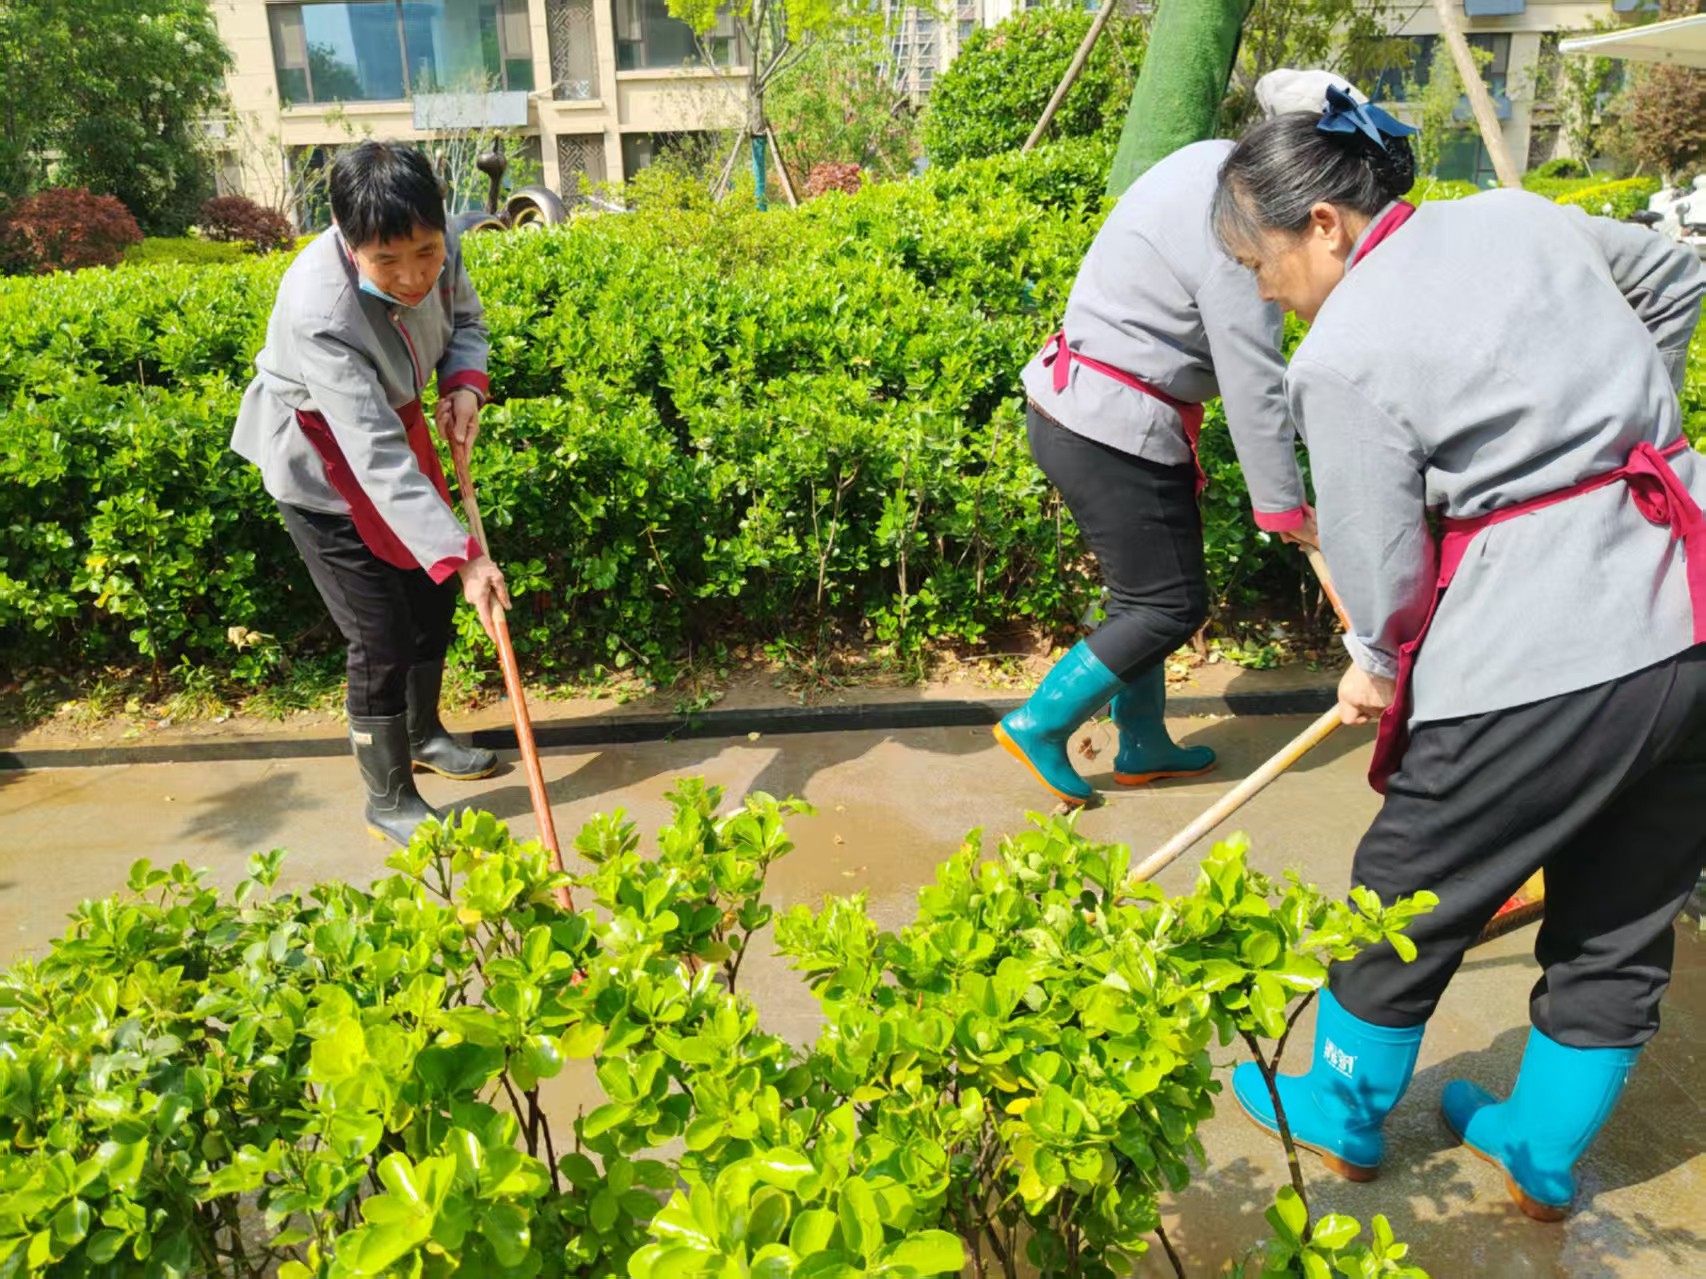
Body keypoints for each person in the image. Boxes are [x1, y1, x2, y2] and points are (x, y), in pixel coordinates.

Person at [1211, 83, 1706, 1222]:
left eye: (1256, 260)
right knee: (1624, 904)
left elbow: (1383, 571)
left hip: (1543, 646)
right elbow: (1675, 276)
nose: (1259, 286)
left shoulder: (1341, 356)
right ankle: (1539, 1150)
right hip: (1687, 612)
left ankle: (1337, 1116)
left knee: (1405, 887)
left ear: (1321, 226)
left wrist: (1372, 661)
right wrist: (1619, 416)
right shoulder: (1516, 216)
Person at [995, 99, 1319, 808]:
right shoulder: (1245, 222)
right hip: (1112, 426)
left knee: (1140, 596)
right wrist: (1287, 509)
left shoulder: (1207, 161)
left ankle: (1143, 741)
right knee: (1170, 604)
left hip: (1074, 403)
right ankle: (1041, 721)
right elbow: (1254, 377)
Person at [232, 140, 511, 845]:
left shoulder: (441, 240)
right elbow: (372, 457)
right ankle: (388, 796)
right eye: (387, 262)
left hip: (395, 426)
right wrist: (468, 554)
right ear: (345, 236)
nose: (414, 276)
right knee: (378, 633)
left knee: (429, 594)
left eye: (424, 251)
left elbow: (466, 326)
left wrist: (463, 386)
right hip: (321, 460)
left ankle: (422, 732)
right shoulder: (318, 309)